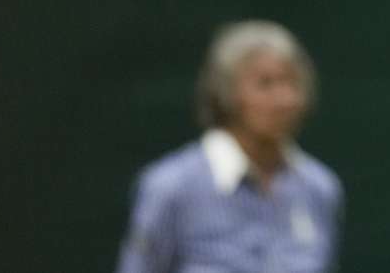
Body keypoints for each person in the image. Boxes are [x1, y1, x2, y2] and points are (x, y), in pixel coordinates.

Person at [116, 21, 343, 273]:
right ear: (226, 92)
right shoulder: (171, 186)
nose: (283, 99)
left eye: (291, 83)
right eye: (264, 84)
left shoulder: (319, 187)